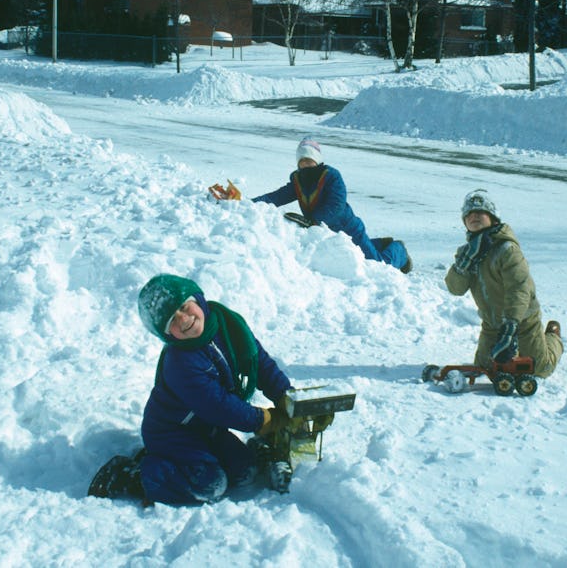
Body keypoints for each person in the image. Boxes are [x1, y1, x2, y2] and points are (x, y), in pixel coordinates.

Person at [89, 274, 293, 505]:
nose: (184, 319)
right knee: (210, 485)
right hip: (172, 432)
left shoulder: (229, 326)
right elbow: (216, 404)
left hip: (207, 428)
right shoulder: (181, 363)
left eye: (185, 307)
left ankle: (247, 454)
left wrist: (286, 395)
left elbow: (260, 362)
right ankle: (135, 474)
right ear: (167, 334)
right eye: (172, 322)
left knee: (245, 473)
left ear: (198, 299)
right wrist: (261, 420)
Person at [445, 189, 563, 378]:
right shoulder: (467, 254)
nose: (474, 216)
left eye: (480, 212)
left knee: (540, 369)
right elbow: (455, 288)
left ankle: (553, 336)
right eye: (469, 214)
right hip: (493, 325)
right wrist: (464, 264)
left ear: (492, 217)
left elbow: (519, 289)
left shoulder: (507, 249)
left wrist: (510, 327)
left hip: (522, 322)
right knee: (486, 369)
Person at [253, 137, 411, 273]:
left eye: (309, 160)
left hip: (349, 229)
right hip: (327, 233)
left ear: (317, 160)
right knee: (355, 255)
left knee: (376, 265)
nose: (305, 165)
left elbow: (337, 205)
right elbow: (277, 196)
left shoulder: (331, 177)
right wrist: (247, 203)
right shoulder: (298, 180)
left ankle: (399, 250)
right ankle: (380, 243)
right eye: (302, 161)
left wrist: (315, 220)